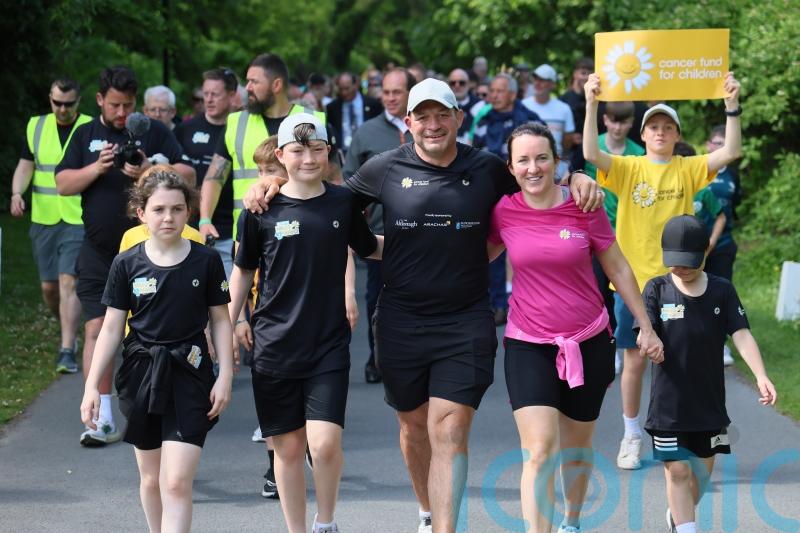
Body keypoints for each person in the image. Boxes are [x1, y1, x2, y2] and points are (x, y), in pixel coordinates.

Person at [244, 78, 603, 533]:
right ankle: (427, 511)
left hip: (465, 319)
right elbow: (322, 197)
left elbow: (534, 174)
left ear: (457, 118)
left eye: (442, 115)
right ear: (407, 122)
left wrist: (576, 174)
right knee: (415, 428)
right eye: (423, 116)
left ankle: (444, 529)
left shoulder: (487, 168)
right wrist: (272, 183)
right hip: (400, 319)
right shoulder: (384, 168)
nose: (433, 125)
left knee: (449, 430)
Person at [488, 122, 663, 533]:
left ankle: (571, 521)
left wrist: (646, 325)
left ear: (556, 162)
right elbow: (474, 259)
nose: (533, 168)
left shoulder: (584, 205)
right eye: (523, 160)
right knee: (539, 450)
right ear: (511, 167)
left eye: (542, 158)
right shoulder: (503, 211)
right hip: (528, 344)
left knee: (577, 448)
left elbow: (617, 265)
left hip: (588, 342)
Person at [229, 114, 382, 533]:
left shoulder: (343, 202)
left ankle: (325, 521)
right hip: (274, 344)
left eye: (316, 149)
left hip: (328, 343)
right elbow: (243, 271)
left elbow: (369, 248)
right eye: (297, 151)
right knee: (288, 448)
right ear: (281, 155)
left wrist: (436, 243)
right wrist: (226, 326)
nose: (308, 158)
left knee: (325, 443)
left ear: (328, 152)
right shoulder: (261, 209)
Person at [583, 71, 743, 470]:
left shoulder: (687, 168)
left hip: (680, 283)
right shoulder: (627, 167)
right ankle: (632, 433)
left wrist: (731, 107)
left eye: (667, 127)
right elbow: (591, 153)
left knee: (681, 361)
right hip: (634, 284)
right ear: (644, 132)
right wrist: (590, 103)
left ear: (675, 134)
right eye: (653, 126)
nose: (660, 132)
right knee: (636, 360)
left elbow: (730, 153)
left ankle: (684, 435)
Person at [79, 165, 233, 533]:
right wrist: (91, 387)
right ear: (141, 214)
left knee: (176, 481)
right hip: (142, 373)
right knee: (151, 480)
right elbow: (113, 327)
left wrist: (224, 373)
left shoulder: (206, 260)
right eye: (159, 209)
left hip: (191, 372)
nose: (168, 217)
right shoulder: (126, 264)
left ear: (188, 212)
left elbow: (221, 320)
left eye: (177, 209)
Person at [56, 65, 195, 447]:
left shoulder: (152, 128)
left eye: (128, 105)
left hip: (150, 253)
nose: (122, 113)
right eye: (116, 105)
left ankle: (158, 412)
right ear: (100, 100)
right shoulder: (86, 134)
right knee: (97, 329)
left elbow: (188, 173)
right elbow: (62, 183)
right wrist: (96, 168)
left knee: (154, 335)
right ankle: (100, 416)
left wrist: (152, 168)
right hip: (99, 253)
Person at [640, 214, 776, 533]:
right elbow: (645, 331)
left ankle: (679, 515)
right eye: (674, 262)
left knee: (699, 476)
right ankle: (687, 528)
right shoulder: (656, 289)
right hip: (668, 407)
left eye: (688, 262)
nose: (680, 269)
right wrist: (651, 341)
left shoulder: (722, 291)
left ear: (705, 252)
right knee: (677, 472)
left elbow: (741, 333)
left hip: (709, 404)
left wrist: (761, 375)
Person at [199, 53, 327, 249]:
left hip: (305, 231)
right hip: (248, 233)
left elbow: (333, 178)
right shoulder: (236, 123)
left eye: (253, 82)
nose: (247, 88)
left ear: (276, 85)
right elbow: (214, 178)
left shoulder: (313, 121)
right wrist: (205, 220)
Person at [9, 77, 92, 373]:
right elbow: (26, 164)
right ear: (50, 99)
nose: (63, 109)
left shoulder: (90, 127)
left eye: (69, 104)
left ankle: (66, 350)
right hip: (43, 217)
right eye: (57, 103)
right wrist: (17, 192)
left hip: (78, 216)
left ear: (78, 102)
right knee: (49, 288)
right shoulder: (36, 125)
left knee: (70, 280)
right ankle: (67, 327)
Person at [342, 68, 416, 384]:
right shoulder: (367, 132)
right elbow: (348, 182)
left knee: (417, 297)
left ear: (411, 94)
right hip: (380, 236)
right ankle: (378, 358)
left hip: (424, 234)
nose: (389, 98)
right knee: (378, 299)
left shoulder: (426, 128)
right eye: (385, 92)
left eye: (396, 92)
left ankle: (414, 357)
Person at [473, 72, 543, 326]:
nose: (493, 95)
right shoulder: (481, 117)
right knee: (492, 248)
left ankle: (530, 302)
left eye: (499, 91)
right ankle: (497, 304)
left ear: (513, 94)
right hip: (489, 193)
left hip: (524, 192)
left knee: (529, 249)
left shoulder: (529, 120)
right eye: (491, 90)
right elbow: (473, 149)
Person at [585, 101, 645, 373]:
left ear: (632, 122)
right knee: (598, 291)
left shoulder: (639, 153)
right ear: (605, 120)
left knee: (624, 290)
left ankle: (623, 341)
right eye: (613, 120)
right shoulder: (593, 147)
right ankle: (606, 342)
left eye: (624, 121)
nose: (618, 127)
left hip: (627, 233)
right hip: (597, 231)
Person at [173, 67, 238, 274]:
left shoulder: (240, 129)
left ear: (231, 95)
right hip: (189, 224)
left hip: (228, 228)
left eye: (215, 94)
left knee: (228, 295)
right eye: (205, 94)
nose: (208, 99)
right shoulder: (185, 129)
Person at [521, 64, 576, 180]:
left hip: (558, 171)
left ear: (552, 84)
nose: (537, 83)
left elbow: (567, 142)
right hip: (529, 169)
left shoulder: (564, 109)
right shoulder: (523, 106)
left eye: (543, 80)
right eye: (535, 79)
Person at [703, 125, 741, 283]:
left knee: (721, 288)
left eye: (725, 144)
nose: (721, 148)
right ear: (708, 144)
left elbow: (736, 201)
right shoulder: (698, 169)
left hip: (723, 241)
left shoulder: (732, 174)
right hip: (697, 241)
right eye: (718, 143)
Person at [326, 72, 382, 154]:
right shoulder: (332, 107)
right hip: (343, 153)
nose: (344, 93)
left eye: (347, 88)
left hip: (368, 151)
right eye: (341, 89)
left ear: (356, 85)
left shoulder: (373, 104)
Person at [559, 57, 594, 171]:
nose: (586, 77)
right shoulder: (564, 99)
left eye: (590, 74)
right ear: (575, 74)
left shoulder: (596, 99)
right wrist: (570, 137)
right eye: (583, 73)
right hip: (570, 153)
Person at [446, 68, 484, 145]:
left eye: (462, 83)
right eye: (453, 83)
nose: (457, 85)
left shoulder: (480, 106)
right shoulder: (443, 105)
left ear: (469, 84)